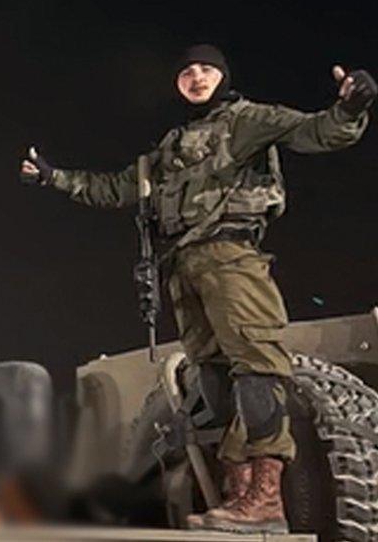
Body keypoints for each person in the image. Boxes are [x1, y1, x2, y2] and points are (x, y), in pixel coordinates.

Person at [19, 44, 374, 534]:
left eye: (206, 68)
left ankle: (267, 498)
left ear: (222, 75)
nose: (196, 76)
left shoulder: (250, 119)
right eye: (187, 71)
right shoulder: (167, 148)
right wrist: (55, 179)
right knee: (210, 382)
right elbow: (115, 189)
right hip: (182, 269)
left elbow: (318, 132)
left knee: (256, 367)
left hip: (231, 257)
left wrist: (352, 105)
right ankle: (238, 494)